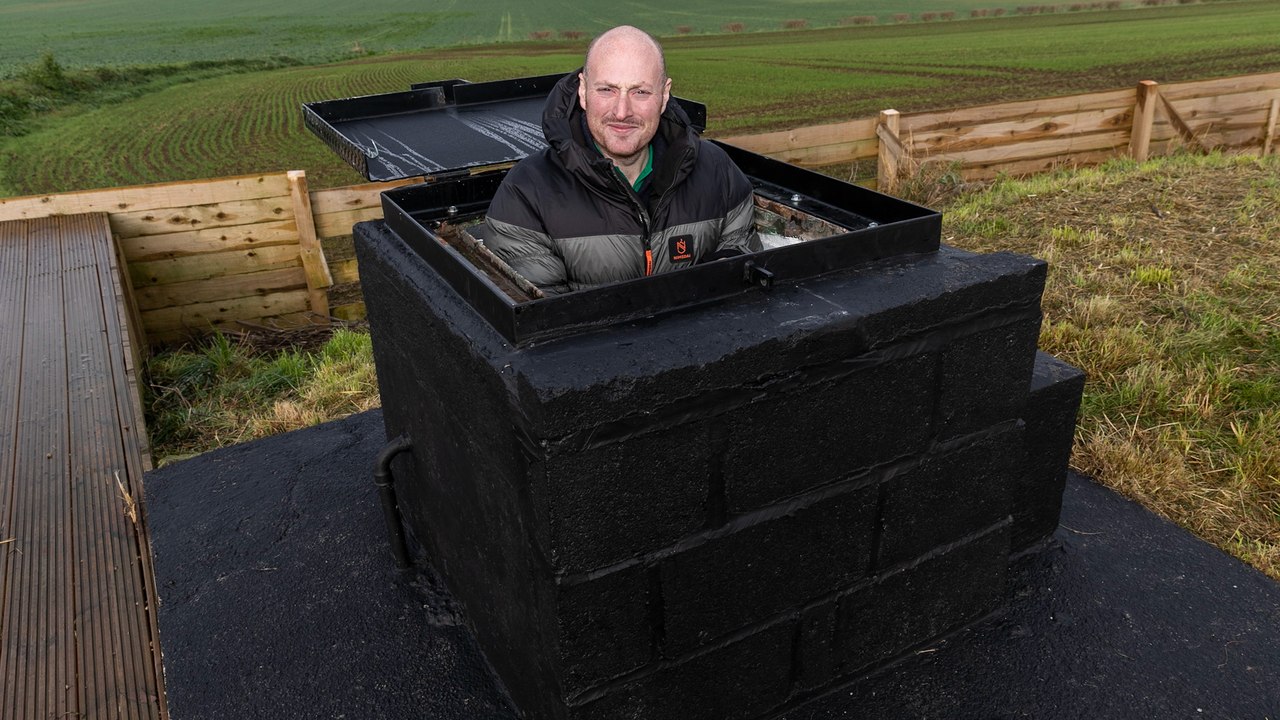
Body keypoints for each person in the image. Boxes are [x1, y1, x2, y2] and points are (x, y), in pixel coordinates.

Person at [482, 25, 761, 295]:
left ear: (664, 95)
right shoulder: (526, 195)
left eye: (640, 92)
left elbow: (741, 271)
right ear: (583, 91)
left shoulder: (717, 172)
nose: (622, 111)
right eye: (607, 90)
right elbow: (548, 327)